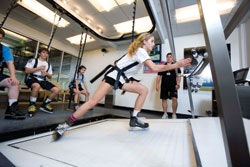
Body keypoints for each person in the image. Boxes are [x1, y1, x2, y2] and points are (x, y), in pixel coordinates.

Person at [52, 33, 191, 140]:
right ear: (144, 42)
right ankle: (64, 125)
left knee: (143, 90)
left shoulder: (141, 53)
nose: (154, 44)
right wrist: (177, 64)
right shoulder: (141, 51)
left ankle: (134, 118)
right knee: (92, 102)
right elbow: (154, 68)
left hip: (121, 79)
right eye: (152, 41)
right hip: (113, 77)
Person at [25, 47, 60, 117]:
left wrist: (47, 74)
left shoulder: (48, 65)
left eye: (47, 53)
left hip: (43, 80)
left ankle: (45, 104)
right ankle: (32, 105)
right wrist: (38, 68)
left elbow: (50, 76)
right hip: (32, 78)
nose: (45, 54)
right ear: (39, 53)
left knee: (57, 90)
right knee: (36, 86)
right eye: (43, 52)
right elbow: (27, 71)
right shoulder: (33, 60)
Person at [0, 28, 26, 120]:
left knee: (14, 83)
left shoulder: (4, 49)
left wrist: (13, 76)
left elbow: (10, 63)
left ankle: (11, 110)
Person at [156, 52, 181, 119]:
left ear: (172, 58)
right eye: (168, 57)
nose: (169, 58)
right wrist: (157, 84)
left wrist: (178, 84)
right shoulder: (162, 66)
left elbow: (179, 76)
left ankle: (174, 114)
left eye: (170, 57)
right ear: (166, 58)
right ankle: (165, 113)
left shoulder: (176, 66)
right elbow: (158, 76)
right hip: (164, 85)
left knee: (174, 98)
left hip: (173, 85)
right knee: (164, 99)